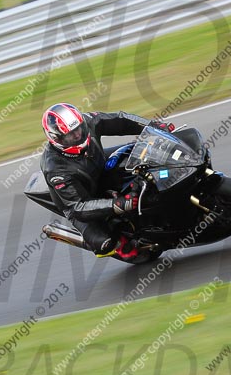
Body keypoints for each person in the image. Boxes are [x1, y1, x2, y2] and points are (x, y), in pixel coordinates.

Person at [40, 103, 175, 259]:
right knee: (105, 244)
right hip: (80, 202)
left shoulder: (87, 121)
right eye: (71, 135)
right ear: (57, 139)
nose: (77, 135)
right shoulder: (55, 169)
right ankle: (112, 243)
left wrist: (153, 126)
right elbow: (78, 207)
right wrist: (118, 204)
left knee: (141, 153)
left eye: (78, 129)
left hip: (98, 165)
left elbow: (120, 119)